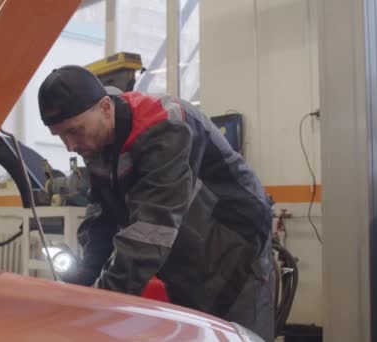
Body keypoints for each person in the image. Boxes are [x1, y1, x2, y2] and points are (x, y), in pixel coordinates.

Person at [38, 65, 274, 341]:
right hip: (183, 248)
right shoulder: (97, 140)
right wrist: (83, 283)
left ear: (104, 107)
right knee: (192, 333)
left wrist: (103, 301)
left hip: (234, 246)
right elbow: (103, 217)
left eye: (74, 131)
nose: (69, 145)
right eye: (61, 136)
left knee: (235, 335)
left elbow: (152, 229)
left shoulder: (166, 126)